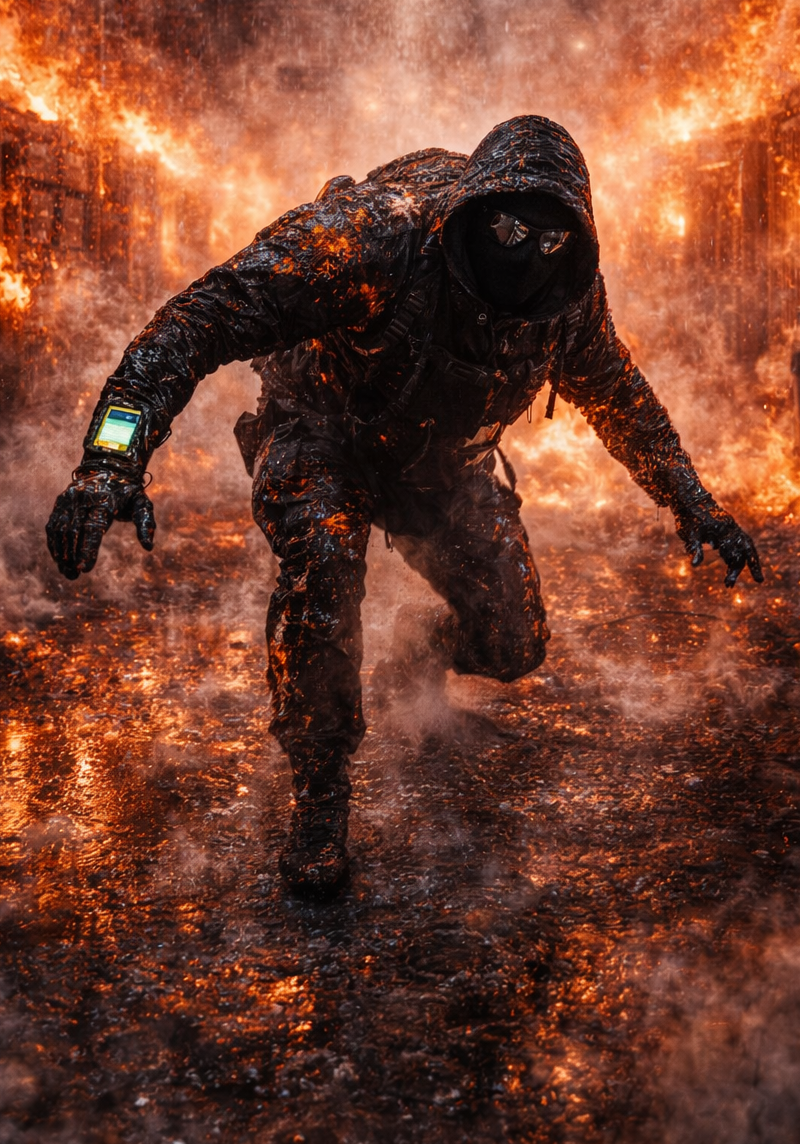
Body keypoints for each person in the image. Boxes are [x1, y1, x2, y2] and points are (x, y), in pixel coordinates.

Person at [47, 115, 762, 898]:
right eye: (507, 230)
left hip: (443, 471)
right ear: (473, 214)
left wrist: (694, 503)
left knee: (514, 641)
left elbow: (620, 397)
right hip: (323, 436)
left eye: (549, 240)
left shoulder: (567, 298)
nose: (525, 254)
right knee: (323, 572)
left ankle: (417, 654)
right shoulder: (374, 239)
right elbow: (201, 319)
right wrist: (110, 461)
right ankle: (320, 792)